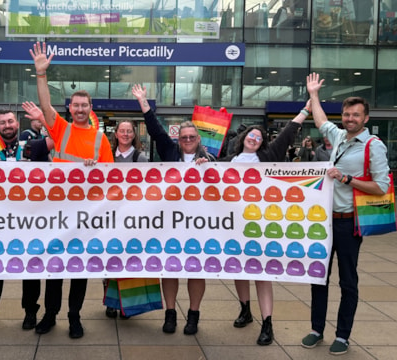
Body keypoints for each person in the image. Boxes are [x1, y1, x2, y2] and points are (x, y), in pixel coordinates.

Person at [301, 73, 390, 355]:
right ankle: (317, 329)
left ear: (365, 118)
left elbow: (382, 186)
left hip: (350, 222)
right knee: (318, 277)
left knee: (348, 281)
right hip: (324, 222)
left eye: (356, 115)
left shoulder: (373, 146)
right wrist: (313, 95)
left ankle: (343, 335)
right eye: (347, 114)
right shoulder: (339, 136)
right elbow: (320, 121)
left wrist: (346, 179)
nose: (350, 118)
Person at [30, 41, 114, 339]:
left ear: (91, 109)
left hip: (85, 216)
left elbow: (110, 178)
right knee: (53, 268)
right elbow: (44, 105)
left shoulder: (100, 140)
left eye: (84, 106)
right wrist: (41, 74)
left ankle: (74, 317)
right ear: (70, 108)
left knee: (78, 270)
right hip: (57, 212)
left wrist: (97, 171)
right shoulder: (61, 128)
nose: (80, 109)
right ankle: (50, 315)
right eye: (75, 105)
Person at [222, 101, 310, 346]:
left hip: (261, 227)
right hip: (234, 227)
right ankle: (245, 310)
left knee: (261, 273)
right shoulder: (228, 161)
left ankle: (267, 322)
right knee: (237, 269)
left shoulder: (268, 157)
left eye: (259, 137)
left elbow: (288, 132)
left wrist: (306, 110)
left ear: (262, 142)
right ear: (243, 138)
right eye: (251, 134)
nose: (254, 138)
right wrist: (202, 164)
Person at [132, 83, 213, 335]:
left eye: (191, 137)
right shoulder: (169, 152)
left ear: (198, 140)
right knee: (169, 267)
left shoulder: (210, 161)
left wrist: (207, 168)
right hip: (170, 223)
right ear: (179, 139)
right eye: (183, 137)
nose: (187, 140)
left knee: (196, 270)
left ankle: (193, 315)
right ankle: (170, 313)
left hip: (199, 225)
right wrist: (143, 101)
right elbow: (155, 130)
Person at [0, 108, 53, 331]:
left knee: (31, 268)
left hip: (29, 221)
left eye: (10, 121)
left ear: (17, 124)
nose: (7, 125)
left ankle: (30, 312)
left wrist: (43, 119)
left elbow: (59, 139)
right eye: (2, 123)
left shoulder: (32, 146)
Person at [104, 119, 148, 319]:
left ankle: (127, 305)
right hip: (109, 216)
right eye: (122, 131)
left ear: (134, 134)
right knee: (109, 260)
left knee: (128, 261)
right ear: (116, 134)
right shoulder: (107, 156)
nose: (125, 134)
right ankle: (111, 303)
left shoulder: (141, 158)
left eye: (129, 131)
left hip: (131, 217)